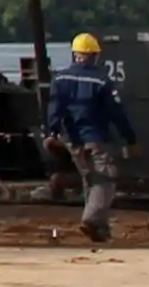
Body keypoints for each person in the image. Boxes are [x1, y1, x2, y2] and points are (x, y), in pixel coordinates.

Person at [41, 32, 136, 245]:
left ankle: (100, 229)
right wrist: (130, 138)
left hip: (73, 140)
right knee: (105, 179)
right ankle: (91, 220)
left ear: (75, 54)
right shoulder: (101, 80)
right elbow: (116, 112)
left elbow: (55, 108)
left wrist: (51, 133)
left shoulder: (60, 78)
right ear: (95, 56)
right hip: (96, 137)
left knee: (90, 180)